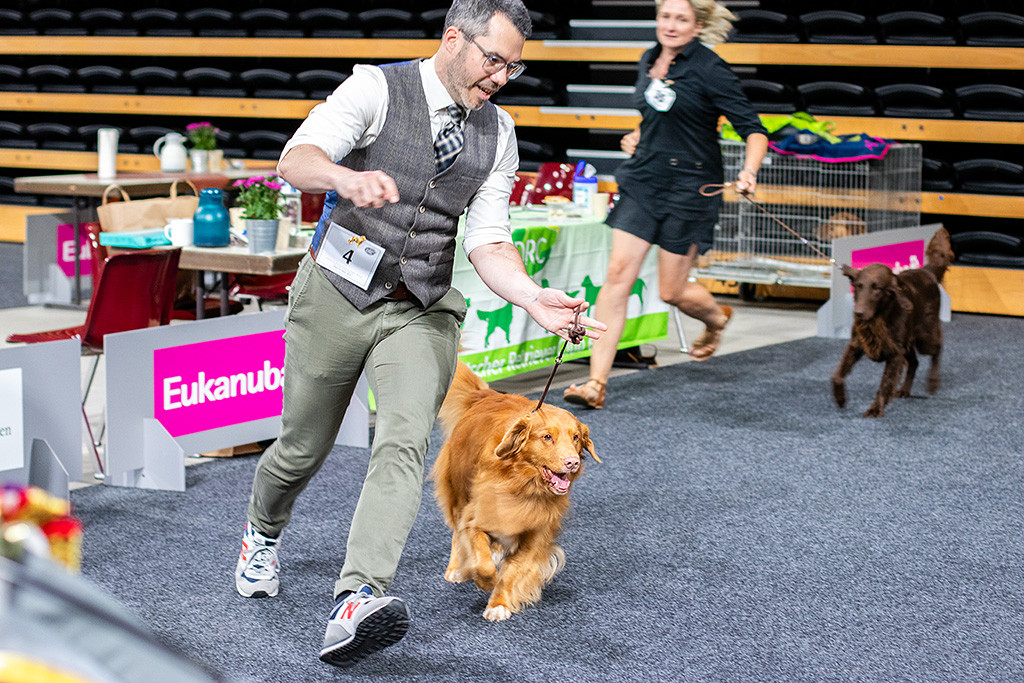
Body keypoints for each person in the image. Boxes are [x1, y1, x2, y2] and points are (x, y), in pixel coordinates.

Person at [232, 0, 605, 669]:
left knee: (403, 439)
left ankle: (358, 597)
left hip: (421, 304)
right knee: (301, 447)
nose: (502, 76)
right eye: (494, 59)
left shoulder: (499, 132)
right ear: (454, 38)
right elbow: (296, 159)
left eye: (514, 66)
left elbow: (489, 242)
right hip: (336, 292)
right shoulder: (376, 88)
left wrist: (532, 297)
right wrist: (344, 176)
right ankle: (261, 532)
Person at [563, 0, 768, 410]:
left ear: (697, 26)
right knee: (618, 273)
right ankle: (596, 383)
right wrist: (637, 134)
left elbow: (754, 129)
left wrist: (749, 171)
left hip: (692, 186)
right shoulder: (649, 58)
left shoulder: (710, 68)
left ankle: (715, 319)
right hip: (644, 179)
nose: (671, 26)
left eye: (681, 19)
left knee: (671, 290)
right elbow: (655, 112)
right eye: (665, 17)